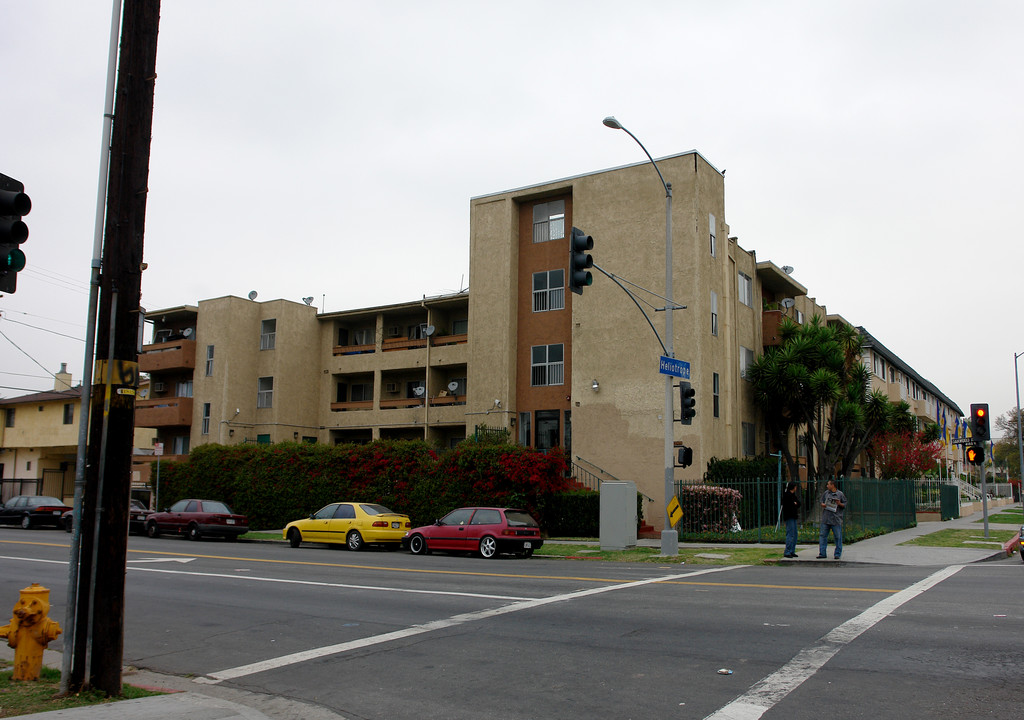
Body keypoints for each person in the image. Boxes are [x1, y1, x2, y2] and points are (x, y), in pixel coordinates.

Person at [817, 479, 847, 559]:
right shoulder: (826, 493)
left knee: (838, 537)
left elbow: (844, 504)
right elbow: (821, 501)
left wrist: (839, 503)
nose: (827, 486)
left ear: (832, 485)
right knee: (823, 536)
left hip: (836, 519)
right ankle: (822, 553)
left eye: (828, 484)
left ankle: (837, 553)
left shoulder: (840, 494)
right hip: (826, 518)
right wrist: (823, 504)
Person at [782, 481, 801, 558]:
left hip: (793, 516)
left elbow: (798, 503)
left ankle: (792, 550)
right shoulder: (787, 495)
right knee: (790, 534)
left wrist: (795, 504)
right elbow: (789, 505)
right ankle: (787, 551)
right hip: (789, 516)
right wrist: (794, 504)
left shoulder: (793, 495)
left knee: (795, 534)